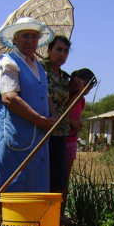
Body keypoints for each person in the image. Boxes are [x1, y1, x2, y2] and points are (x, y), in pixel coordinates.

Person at [0, 17, 56, 226]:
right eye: (25, 36)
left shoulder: (38, 66)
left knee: (33, 180)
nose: (30, 40)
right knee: (7, 181)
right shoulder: (9, 62)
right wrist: (40, 120)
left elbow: (46, 95)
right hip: (14, 135)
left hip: (37, 135)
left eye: (34, 36)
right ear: (14, 39)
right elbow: (9, 98)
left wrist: (53, 117)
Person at [63, 68, 97, 223]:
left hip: (71, 140)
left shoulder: (82, 101)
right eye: (85, 85)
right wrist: (73, 123)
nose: (87, 90)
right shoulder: (67, 95)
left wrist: (77, 125)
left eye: (89, 88)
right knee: (56, 177)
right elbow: (60, 113)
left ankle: (61, 213)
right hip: (61, 138)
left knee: (65, 177)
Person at [40, 36, 71, 203]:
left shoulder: (65, 77)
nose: (62, 54)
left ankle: (55, 213)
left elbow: (68, 102)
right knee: (43, 173)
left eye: (65, 51)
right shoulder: (39, 69)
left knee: (58, 174)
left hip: (61, 130)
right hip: (43, 129)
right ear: (48, 50)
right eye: (58, 49)